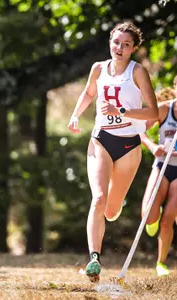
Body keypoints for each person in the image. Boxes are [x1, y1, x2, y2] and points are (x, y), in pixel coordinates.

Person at [68, 22, 158, 282]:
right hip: (101, 139)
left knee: (110, 208)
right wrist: (76, 115)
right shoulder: (98, 68)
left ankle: (113, 207)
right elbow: (88, 93)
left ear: (134, 48)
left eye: (126, 44)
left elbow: (152, 112)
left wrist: (121, 112)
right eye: (116, 42)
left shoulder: (138, 72)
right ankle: (94, 259)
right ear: (110, 42)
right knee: (98, 199)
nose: (119, 48)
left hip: (129, 144)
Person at [141, 77, 177, 277]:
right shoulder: (164, 109)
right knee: (148, 215)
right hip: (162, 165)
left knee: (167, 220)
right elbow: (141, 131)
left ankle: (161, 263)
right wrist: (154, 147)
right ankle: (154, 211)